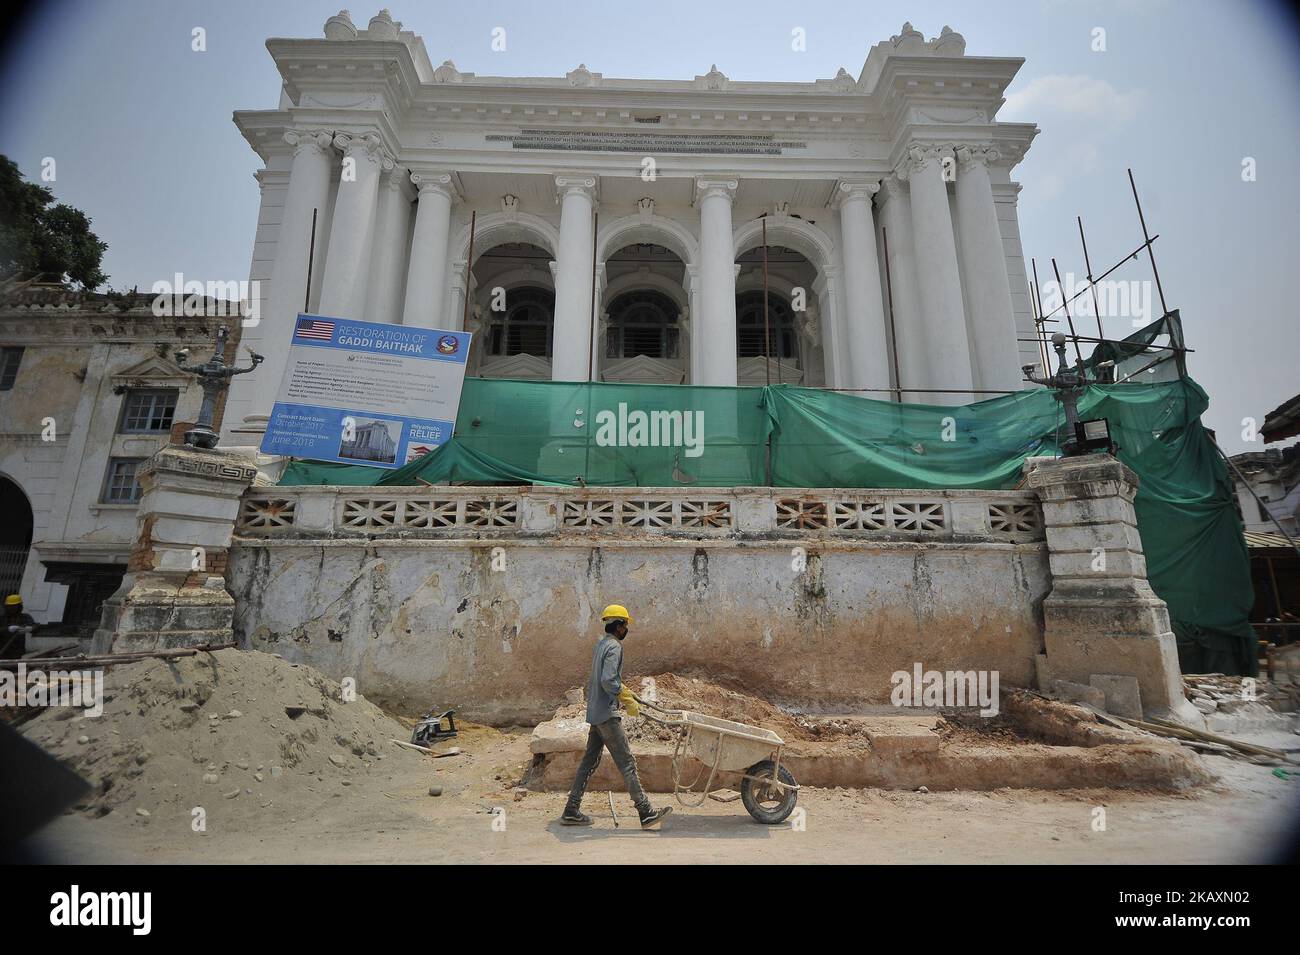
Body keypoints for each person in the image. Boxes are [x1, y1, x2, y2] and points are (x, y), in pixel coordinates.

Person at [561, 603, 671, 829]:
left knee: (589, 762)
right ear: (619, 626)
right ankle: (645, 811)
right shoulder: (615, 647)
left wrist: (625, 692)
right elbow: (608, 680)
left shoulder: (601, 645)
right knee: (627, 762)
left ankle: (571, 810)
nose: (626, 629)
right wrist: (624, 696)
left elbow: (603, 679)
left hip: (596, 712)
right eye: (626, 625)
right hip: (607, 715)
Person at [2, 594, 35, 660]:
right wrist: (7, 629)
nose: (12, 608)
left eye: (15, 606)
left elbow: (36, 627)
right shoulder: (2, 618)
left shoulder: (25, 617)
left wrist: (30, 629)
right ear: (6, 607)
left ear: (20, 607)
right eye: (10, 606)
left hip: (19, 652)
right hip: (3, 651)